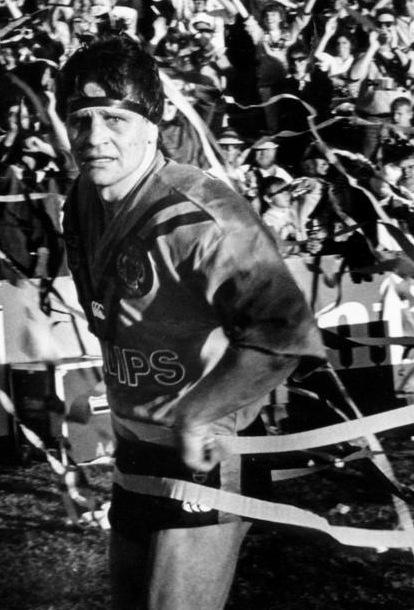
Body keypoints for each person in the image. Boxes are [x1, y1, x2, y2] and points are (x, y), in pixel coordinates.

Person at [59, 36, 320, 610]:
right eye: (80, 120)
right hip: (137, 451)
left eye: (115, 119)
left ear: (152, 124)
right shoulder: (81, 199)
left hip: (207, 454)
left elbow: (283, 336)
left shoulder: (204, 217)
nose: (95, 137)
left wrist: (200, 412)